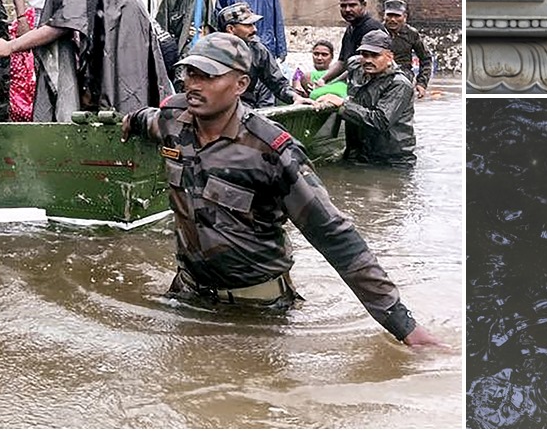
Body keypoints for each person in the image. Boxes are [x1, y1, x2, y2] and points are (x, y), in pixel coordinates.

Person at [119, 33, 440, 348]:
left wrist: (403, 324)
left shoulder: (271, 151)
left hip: (256, 312)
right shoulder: (174, 121)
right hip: (187, 295)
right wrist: (129, 121)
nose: (193, 84)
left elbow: (335, 236)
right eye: (189, 73)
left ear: (241, 85)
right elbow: (148, 120)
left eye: (208, 76)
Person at [0, 0, 173, 121]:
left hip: (124, 25)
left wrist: (10, 46)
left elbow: (61, 25)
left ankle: (131, 134)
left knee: (126, 88)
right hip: (120, 22)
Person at [315, 29, 416, 168]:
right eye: (364, 54)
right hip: (358, 153)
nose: (368, 60)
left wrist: (343, 104)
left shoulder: (399, 84)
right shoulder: (356, 66)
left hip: (391, 161)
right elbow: (346, 69)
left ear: (389, 57)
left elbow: (381, 121)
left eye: (375, 55)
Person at [217, 2, 310, 108]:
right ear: (231, 29)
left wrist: (295, 97)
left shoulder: (257, 50)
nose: (254, 29)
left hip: (245, 109)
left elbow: (278, 83)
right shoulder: (212, 51)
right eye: (248, 25)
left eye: (253, 24)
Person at [317, 0, 384, 85]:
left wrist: (330, 84)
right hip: (349, 77)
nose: (347, 10)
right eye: (343, 6)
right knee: (307, 78)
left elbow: (360, 66)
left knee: (318, 94)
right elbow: (342, 62)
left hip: (367, 81)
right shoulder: (351, 28)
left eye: (352, 5)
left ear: (363, 5)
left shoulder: (372, 30)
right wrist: (323, 79)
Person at [382, 0, 432, 99]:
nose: (393, 19)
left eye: (397, 16)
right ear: (384, 16)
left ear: (404, 17)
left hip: (403, 74)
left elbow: (426, 59)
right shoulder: (377, 31)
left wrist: (422, 83)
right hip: (380, 74)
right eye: (389, 15)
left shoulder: (412, 34)